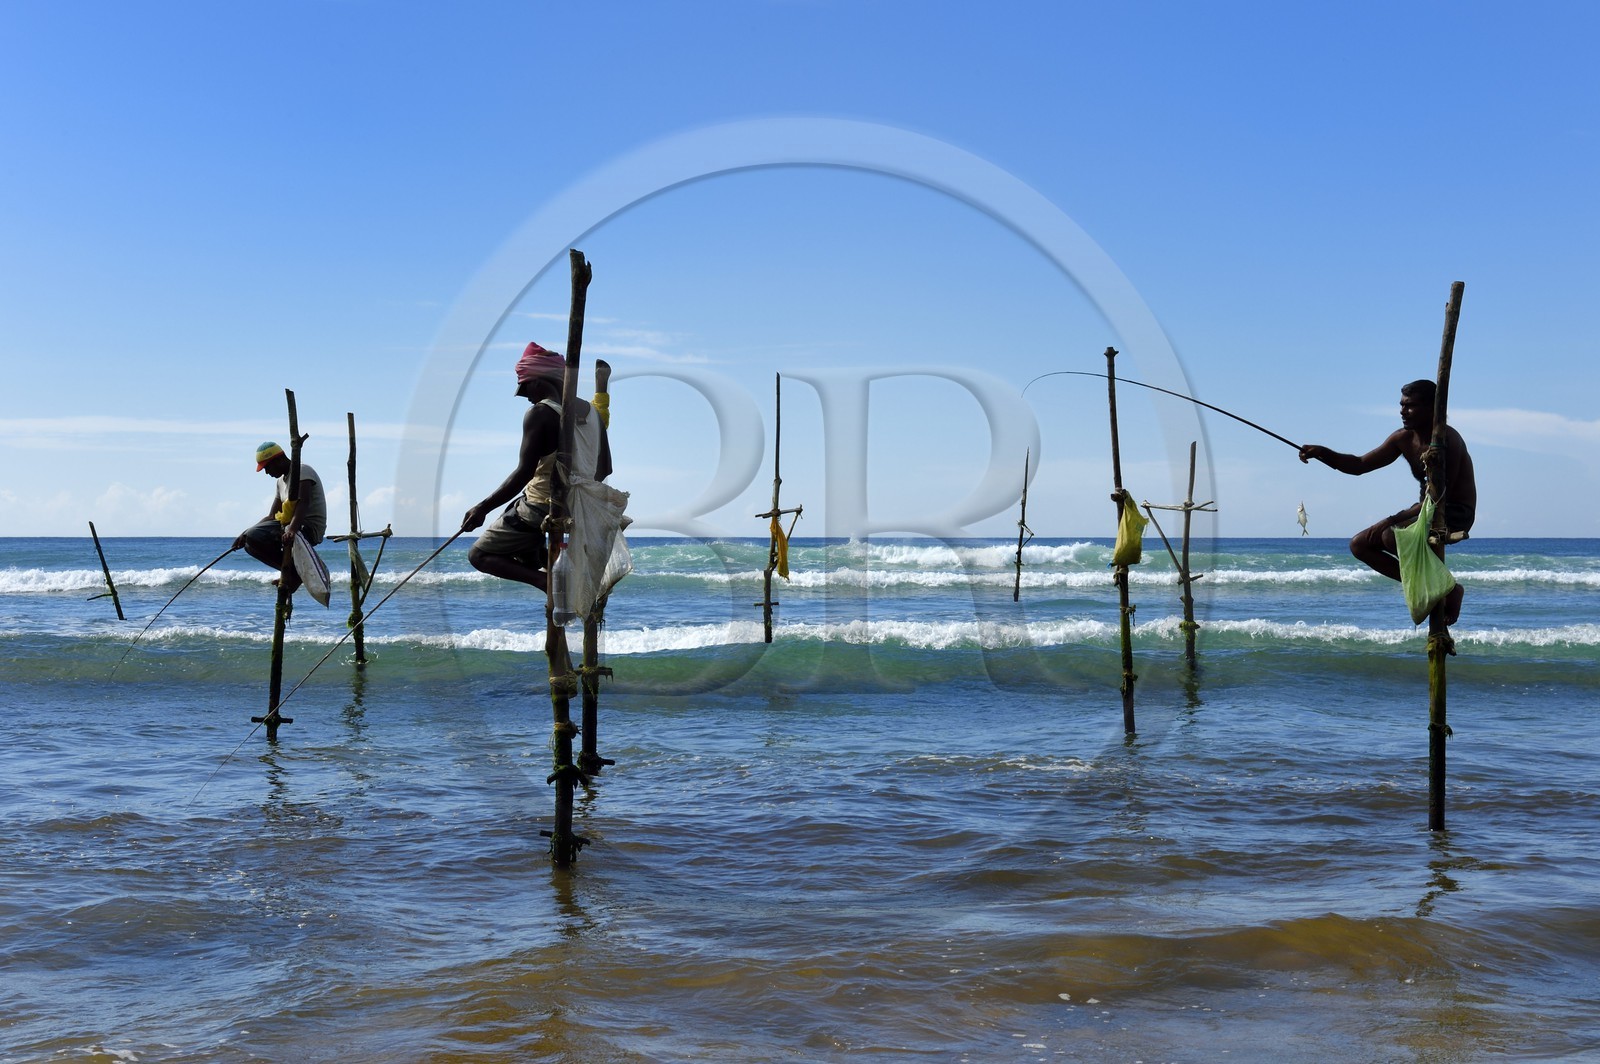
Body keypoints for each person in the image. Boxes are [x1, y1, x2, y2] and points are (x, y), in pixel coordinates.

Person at [1299, 378, 1476, 623]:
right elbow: (1359, 465)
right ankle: (1436, 585)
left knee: (1391, 535)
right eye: (1401, 405)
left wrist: (1390, 520)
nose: (1403, 411)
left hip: (1454, 512)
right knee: (1359, 545)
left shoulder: (1448, 440)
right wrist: (1323, 453)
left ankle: (1450, 590)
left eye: (1410, 406)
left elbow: (1439, 498)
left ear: (1432, 408)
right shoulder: (1402, 439)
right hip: (1423, 510)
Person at [461, 342, 613, 590]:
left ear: (540, 381)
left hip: (544, 505)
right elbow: (604, 469)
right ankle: (550, 567)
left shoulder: (540, 413)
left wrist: (482, 508)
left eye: (525, 388)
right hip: (583, 506)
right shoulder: (594, 414)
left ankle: (546, 582)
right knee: (526, 549)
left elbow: (523, 473)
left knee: (479, 555)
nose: (528, 397)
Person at [234, 441, 328, 593]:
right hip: (289, 526)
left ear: (278, 460)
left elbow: (303, 502)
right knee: (249, 543)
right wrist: (244, 533)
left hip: (307, 527)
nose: (267, 473)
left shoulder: (302, 471)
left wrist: (292, 529)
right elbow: (272, 516)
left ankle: (294, 575)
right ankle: (292, 573)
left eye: (267, 467)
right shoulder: (280, 482)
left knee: (254, 535)